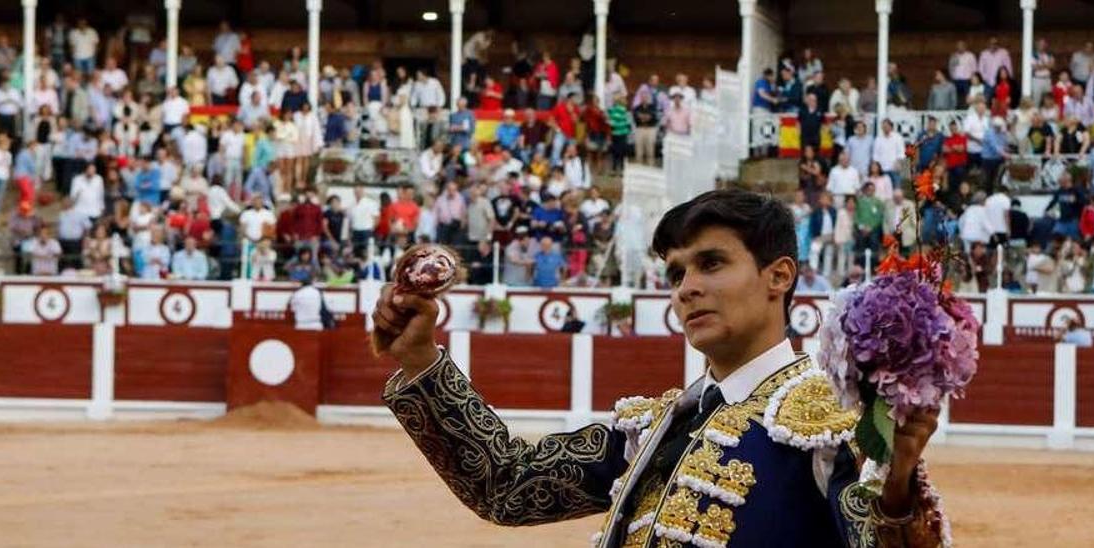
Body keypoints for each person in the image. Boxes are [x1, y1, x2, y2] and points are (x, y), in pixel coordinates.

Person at [373, 189, 946, 547]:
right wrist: (420, 357)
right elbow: (505, 485)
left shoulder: (833, 423)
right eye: (675, 274)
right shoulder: (656, 428)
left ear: (779, 276)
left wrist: (896, 492)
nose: (688, 289)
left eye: (711, 263)